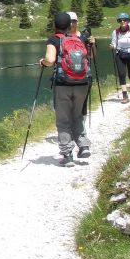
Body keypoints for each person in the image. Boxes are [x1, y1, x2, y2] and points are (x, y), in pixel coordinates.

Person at [39, 11, 91, 166]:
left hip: (63, 84)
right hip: (82, 83)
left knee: (63, 119)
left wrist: (42, 62)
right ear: (70, 25)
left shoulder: (54, 39)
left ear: (55, 25)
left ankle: (67, 154)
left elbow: (50, 59)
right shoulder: (77, 39)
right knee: (77, 116)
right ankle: (83, 146)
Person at [111, 11, 130, 102]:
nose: (122, 22)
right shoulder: (115, 32)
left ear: (128, 21)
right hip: (120, 54)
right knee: (121, 74)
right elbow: (114, 44)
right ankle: (125, 95)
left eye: (124, 20)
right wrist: (112, 46)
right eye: (120, 20)